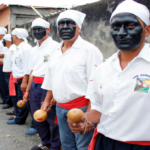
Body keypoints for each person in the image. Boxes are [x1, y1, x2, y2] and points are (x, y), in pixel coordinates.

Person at [67, 1, 150, 150]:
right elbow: (99, 109)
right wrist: (84, 120)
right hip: (104, 143)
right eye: (116, 27)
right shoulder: (103, 68)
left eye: (131, 27)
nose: (122, 33)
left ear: (147, 30)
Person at [41, 10, 103, 150]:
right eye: (61, 24)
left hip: (81, 109)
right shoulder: (56, 50)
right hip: (60, 107)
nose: (65, 27)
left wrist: (89, 115)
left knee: (83, 146)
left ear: (79, 28)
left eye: (70, 23)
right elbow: (51, 77)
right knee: (67, 143)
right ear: (57, 30)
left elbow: (96, 84)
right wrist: (46, 100)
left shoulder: (89, 50)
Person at [23, 18, 61, 150]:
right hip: (35, 86)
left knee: (51, 118)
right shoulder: (34, 50)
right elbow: (32, 72)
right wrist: (27, 91)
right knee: (37, 117)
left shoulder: (56, 46)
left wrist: (55, 92)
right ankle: (46, 143)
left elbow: (58, 70)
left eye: (40, 29)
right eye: (34, 29)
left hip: (49, 87)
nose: (37, 32)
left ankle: (56, 145)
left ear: (48, 30)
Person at [6, 28, 31, 126]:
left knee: (26, 102)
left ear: (16, 36)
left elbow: (27, 66)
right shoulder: (18, 48)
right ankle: (19, 119)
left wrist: (25, 81)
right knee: (22, 101)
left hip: (24, 80)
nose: (12, 38)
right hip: (18, 79)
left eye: (12, 36)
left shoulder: (26, 48)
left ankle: (24, 121)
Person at [0, 34, 17, 114]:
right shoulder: (8, 49)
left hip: (11, 74)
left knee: (14, 94)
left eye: (4, 40)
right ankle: (15, 110)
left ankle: (15, 110)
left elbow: (14, 62)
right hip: (7, 73)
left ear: (8, 41)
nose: (3, 42)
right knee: (10, 92)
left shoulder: (12, 49)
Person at [0, 27, 12, 108]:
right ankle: (4, 99)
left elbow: (3, 54)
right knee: (2, 84)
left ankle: (7, 100)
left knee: (4, 84)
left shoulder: (3, 44)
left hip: (4, 65)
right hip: (4, 65)